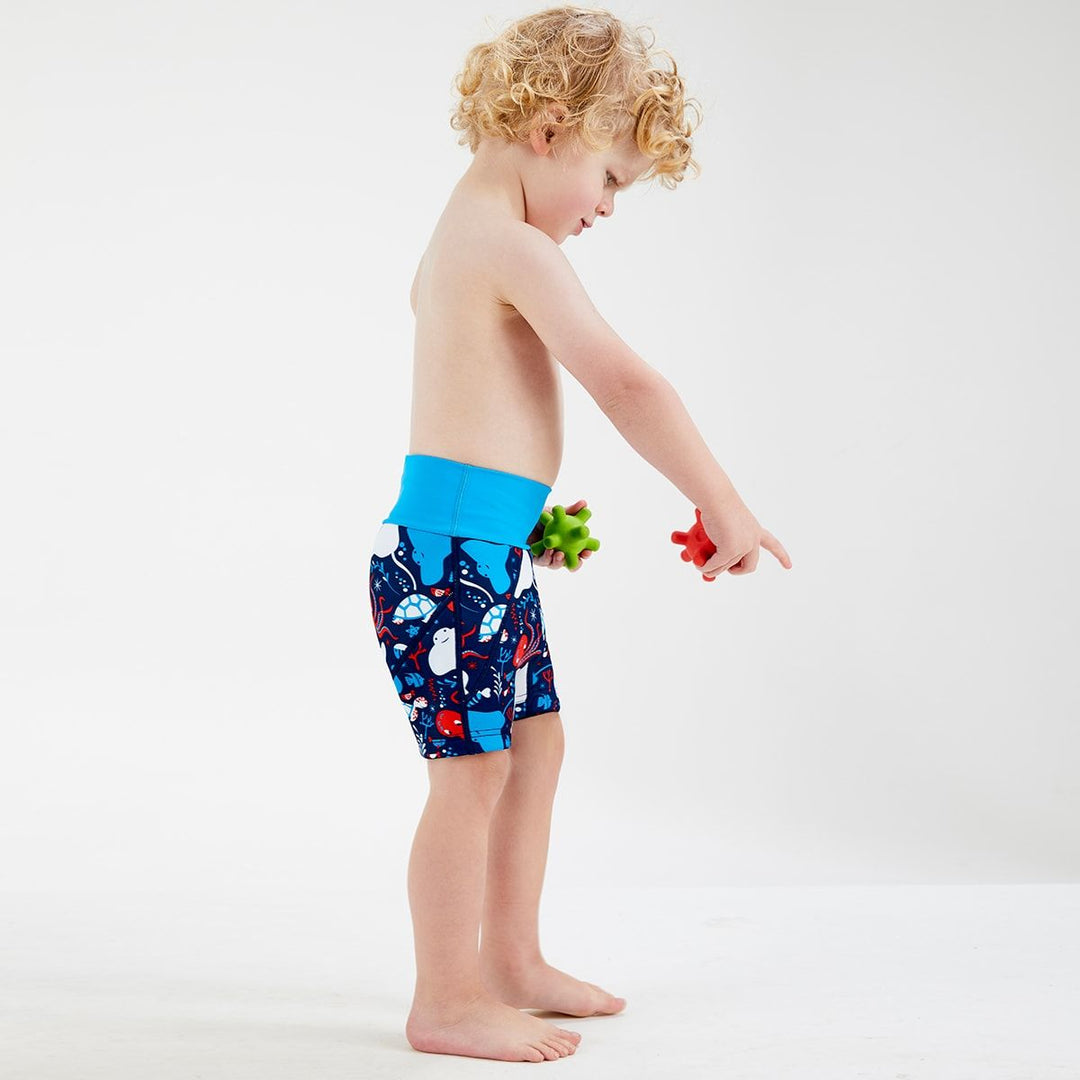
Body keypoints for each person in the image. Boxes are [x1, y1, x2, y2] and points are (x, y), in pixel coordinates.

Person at [367, 5, 792, 1064]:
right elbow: (625, 382)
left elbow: (466, 410)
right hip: (447, 564)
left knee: (535, 747)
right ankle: (447, 998)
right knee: (471, 772)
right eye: (611, 177)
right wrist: (721, 499)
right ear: (551, 128)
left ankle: (512, 960)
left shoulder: (459, 244)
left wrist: (525, 523)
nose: (608, 205)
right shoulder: (509, 245)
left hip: (478, 552)